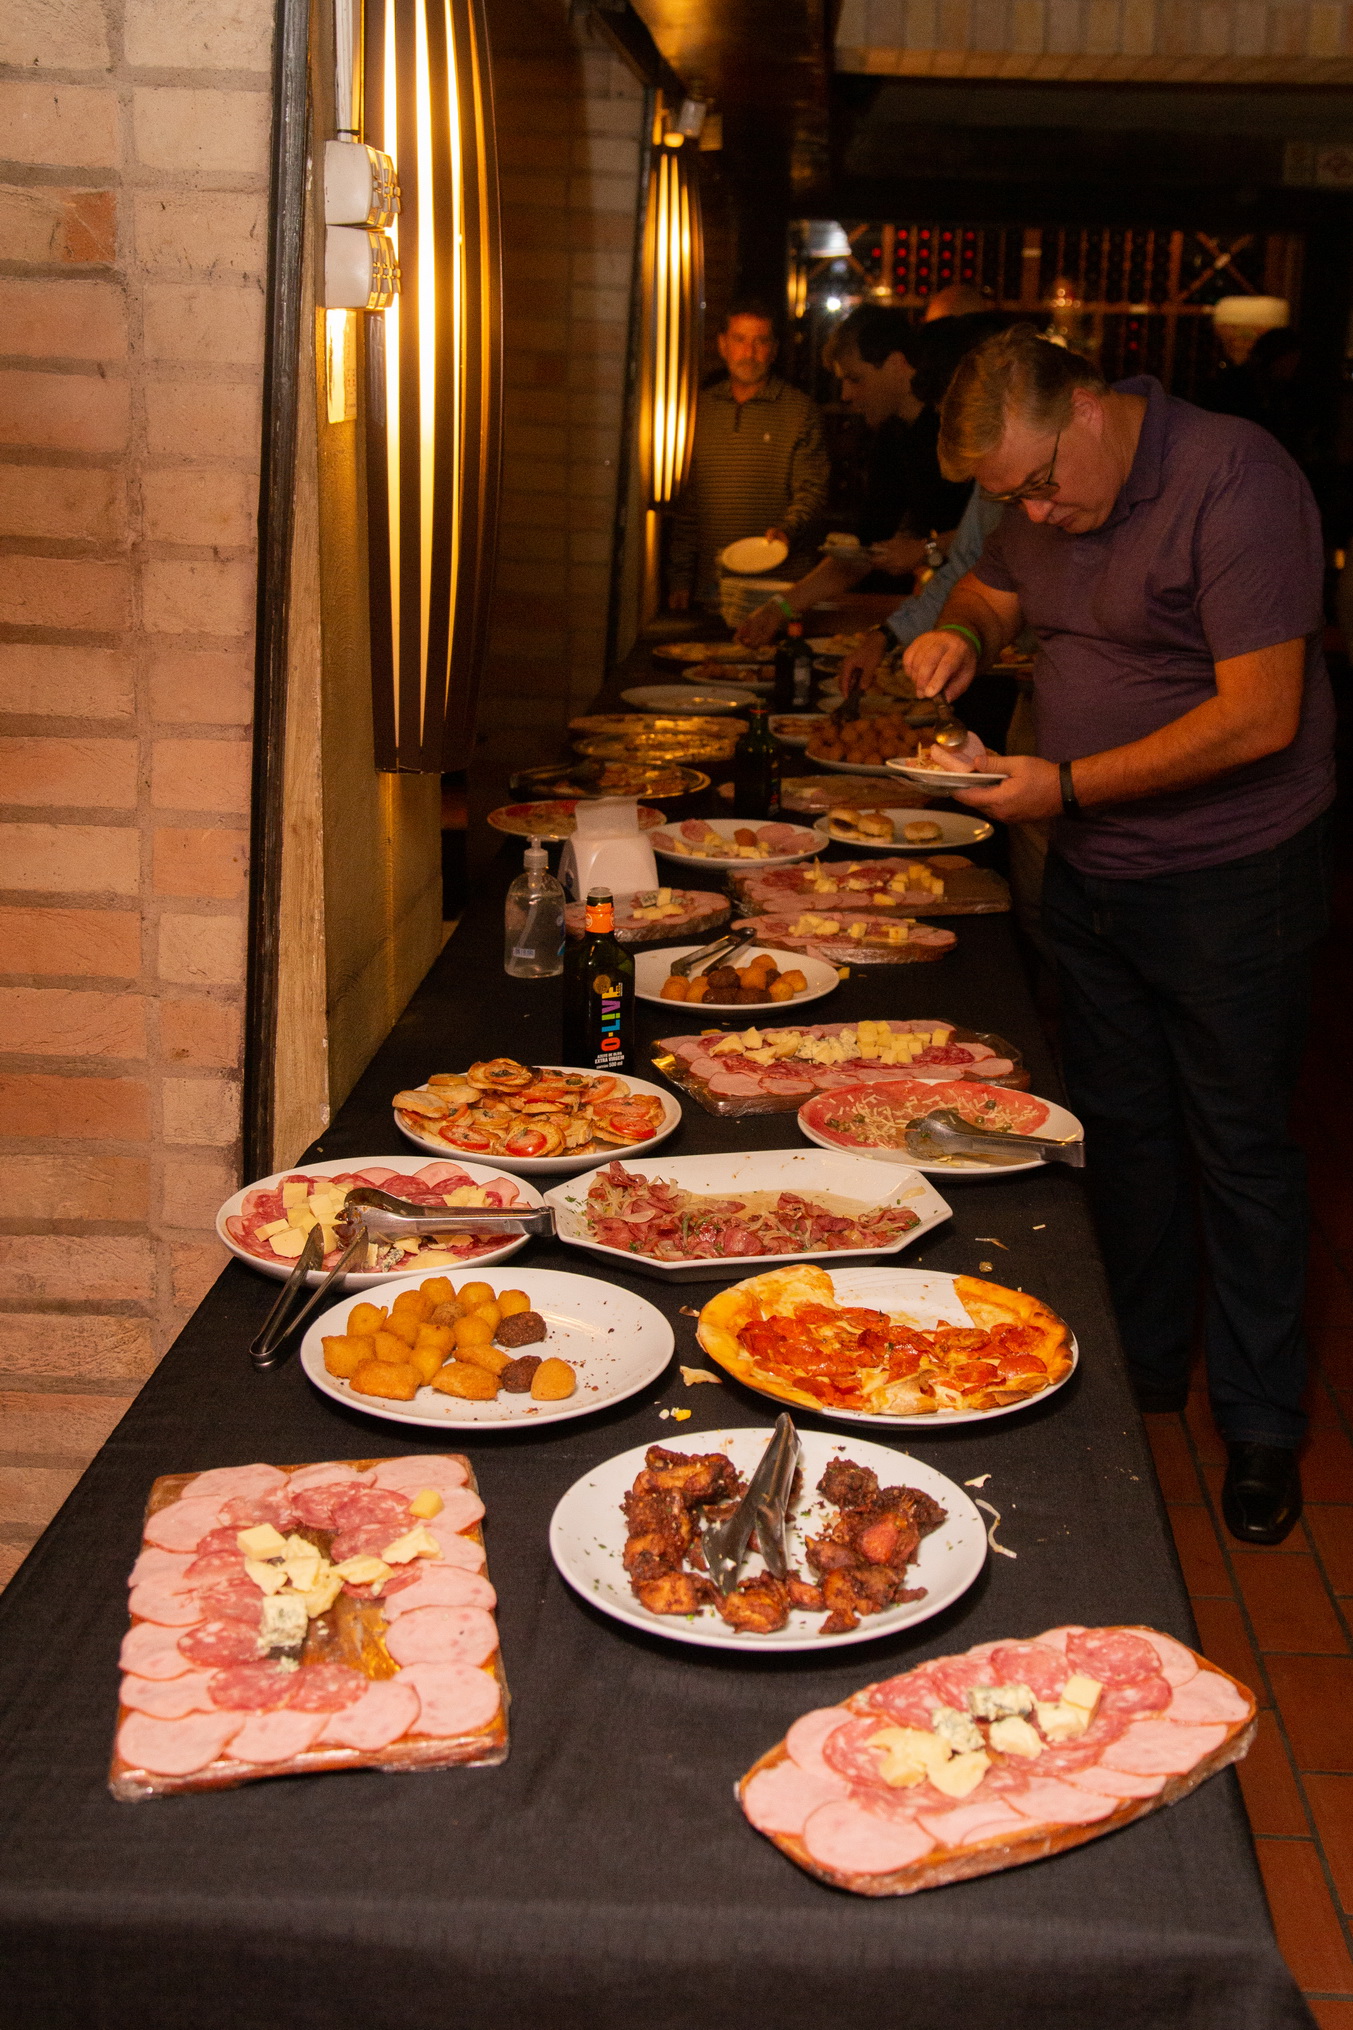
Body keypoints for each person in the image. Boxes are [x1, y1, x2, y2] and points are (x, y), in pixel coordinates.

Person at [902, 323, 1335, 1547]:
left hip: (1231, 877)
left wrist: (1069, 787)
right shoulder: (1035, 495)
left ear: (1089, 403)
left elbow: (1261, 716)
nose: (1037, 510)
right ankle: (1143, 1371)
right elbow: (991, 587)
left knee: (1238, 1143)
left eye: (1042, 482)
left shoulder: (1235, 479)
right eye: (1014, 497)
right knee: (1121, 1127)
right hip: (1093, 872)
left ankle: (1260, 1421)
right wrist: (963, 635)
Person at [737, 304, 970, 646]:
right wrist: (778, 608)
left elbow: (999, 525)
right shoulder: (892, 438)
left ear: (897, 364)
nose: (846, 395)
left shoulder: (957, 426)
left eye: (855, 378)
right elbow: (862, 552)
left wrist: (927, 549)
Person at [668, 299, 829, 612]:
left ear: (774, 349)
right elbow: (687, 505)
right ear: (722, 345)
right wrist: (679, 578)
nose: (749, 352)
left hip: (781, 588)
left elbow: (812, 490)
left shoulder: (800, 412)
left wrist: (787, 530)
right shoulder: (697, 411)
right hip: (714, 587)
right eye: (740, 340)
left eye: (760, 341)